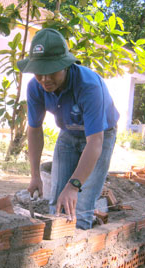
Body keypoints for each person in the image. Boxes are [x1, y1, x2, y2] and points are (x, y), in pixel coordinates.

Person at [17, 28, 119, 230]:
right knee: (57, 202)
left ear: (65, 65)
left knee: (82, 201)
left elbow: (95, 142)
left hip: (101, 135)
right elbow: (35, 130)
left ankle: (79, 249)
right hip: (68, 133)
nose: (45, 79)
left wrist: (74, 185)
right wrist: (35, 175)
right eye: (40, 72)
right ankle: (55, 247)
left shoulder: (88, 86)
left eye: (52, 71)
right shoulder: (35, 87)